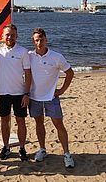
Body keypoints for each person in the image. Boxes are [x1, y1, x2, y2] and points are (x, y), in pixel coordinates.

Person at [28, 28, 75, 168]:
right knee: (39, 123)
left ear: (46, 40)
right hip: (34, 97)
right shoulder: (29, 55)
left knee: (59, 125)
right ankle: (42, 149)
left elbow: (70, 73)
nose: (39, 42)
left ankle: (67, 154)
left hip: (51, 97)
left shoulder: (56, 57)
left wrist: (61, 90)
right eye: (36, 40)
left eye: (41, 39)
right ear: (33, 41)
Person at [0, 24, 31, 161]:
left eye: (13, 35)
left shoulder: (23, 51)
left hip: (19, 93)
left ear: (17, 36)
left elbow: (28, 73)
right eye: (7, 34)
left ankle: (22, 148)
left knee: (21, 121)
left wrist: (27, 93)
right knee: (4, 121)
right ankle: (6, 147)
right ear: (2, 36)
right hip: (3, 93)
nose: (10, 37)